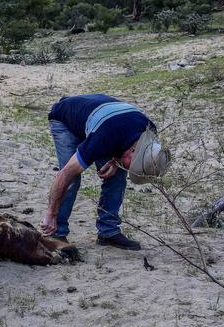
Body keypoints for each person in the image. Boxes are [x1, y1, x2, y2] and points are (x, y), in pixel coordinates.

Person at [40, 93, 170, 250]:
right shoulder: (103, 138)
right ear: (133, 150)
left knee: (117, 175)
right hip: (66, 119)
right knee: (72, 178)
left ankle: (108, 232)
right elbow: (64, 175)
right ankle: (56, 232)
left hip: (105, 120)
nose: (131, 170)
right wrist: (50, 213)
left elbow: (124, 141)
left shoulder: (149, 133)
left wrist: (116, 161)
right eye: (133, 165)